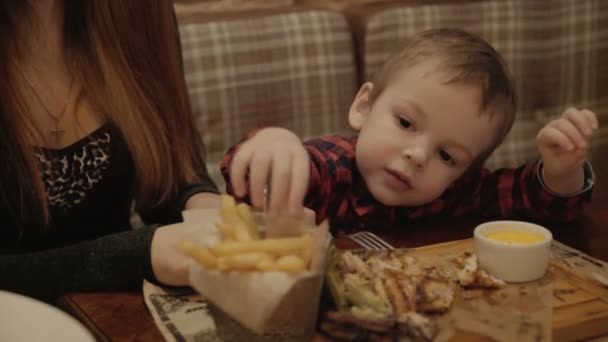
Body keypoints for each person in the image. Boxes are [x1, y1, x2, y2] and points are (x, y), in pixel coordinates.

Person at [221, 28, 598, 235]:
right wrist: (274, 146)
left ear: (462, 175)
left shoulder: (458, 195)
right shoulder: (332, 169)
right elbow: (257, 181)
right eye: (405, 123)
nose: (417, 155)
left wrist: (561, 171)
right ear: (364, 107)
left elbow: (536, 201)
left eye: (447, 156)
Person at [0, 1, 220, 301]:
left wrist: (202, 206)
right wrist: (135, 256)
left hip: (115, 318)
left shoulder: (137, 11)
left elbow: (170, 177)